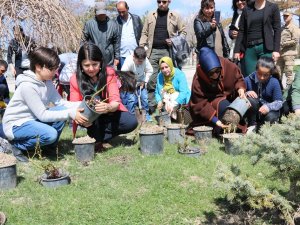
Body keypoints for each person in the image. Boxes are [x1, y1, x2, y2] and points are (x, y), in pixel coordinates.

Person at [2, 47, 87, 162]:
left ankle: (48, 147)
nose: (55, 72)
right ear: (38, 67)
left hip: (32, 119)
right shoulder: (27, 86)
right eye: (52, 69)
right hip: (17, 124)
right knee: (51, 134)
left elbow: (61, 103)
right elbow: (42, 115)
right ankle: (16, 146)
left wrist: (84, 103)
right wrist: (71, 113)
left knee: (61, 110)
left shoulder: (47, 82)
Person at [70, 43, 138, 151]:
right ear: (80, 65)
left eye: (95, 64)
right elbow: (73, 105)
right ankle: (97, 137)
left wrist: (107, 107)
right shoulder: (75, 79)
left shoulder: (109, 73)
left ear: (101, 62)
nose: (91, 69)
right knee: (92, 101)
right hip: (89, 118)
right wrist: (79, 117)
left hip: (108, 112)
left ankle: (101, 137)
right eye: (86, 65)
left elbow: (115, 100)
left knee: (131, 122)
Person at [139, 0, 186, 114]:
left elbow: (183, 32)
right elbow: (144, 33)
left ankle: (169, 107)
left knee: (169, 80)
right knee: (151, 80)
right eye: (159, 1)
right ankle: (152, 107)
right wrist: (141, 48)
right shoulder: (150, 15)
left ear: (169, 2)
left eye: (164, 1)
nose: (161, 4)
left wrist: (174, 41)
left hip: (168, 52)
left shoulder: (176, 16)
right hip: (152, 52)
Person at [189, 47, 246, 132]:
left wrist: (241, 89)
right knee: (224, 105)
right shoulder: (198, 79)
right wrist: (216, 121)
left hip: (230, 97)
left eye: (218, 71)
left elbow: (238, 78)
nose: (216, 75)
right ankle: (224, 128)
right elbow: (199, 105)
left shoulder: (226, 64)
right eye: (211, 73)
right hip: (211, 104)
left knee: (246, 101)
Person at [233, 0, 281, 77]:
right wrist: (236, 51)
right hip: (249, 49)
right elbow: (241, 30)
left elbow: (277, 29)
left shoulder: (273, 7)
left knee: (266, 77)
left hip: (266, 49)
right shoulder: (247, 9)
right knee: (251, 77)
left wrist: (276, 50)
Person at [245, 56, 283, 129]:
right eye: (259, 74)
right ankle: (252, 125)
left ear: (270, 73)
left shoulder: (274, 82)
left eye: (266, 75)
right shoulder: (247, 80)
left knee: (271, 117)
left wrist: (268, 107)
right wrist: (247, 93)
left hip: (269, 110)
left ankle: (262, 129)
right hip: (253, 112)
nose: (262, 77)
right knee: (251, 99)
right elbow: (239, 94)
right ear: (256, 70)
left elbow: (279, 101)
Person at [82, 2, 120, 67]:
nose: (101, 16)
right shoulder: (89, 24)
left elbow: (116, 42)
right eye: (99, 14)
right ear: (95, 13)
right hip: (93, 58)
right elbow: (83, 40)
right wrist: (84, 55)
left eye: (103, 14)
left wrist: (117, 57)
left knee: (109, 76)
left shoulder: (113, 24)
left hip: (109, 60)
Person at [121, 47, 153, 121]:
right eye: (139, 61)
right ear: (133, 57)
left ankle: (146, 114)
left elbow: (150, 71)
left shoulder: (145, 60)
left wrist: (145, 81)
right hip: (130, 81)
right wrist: (131, 83)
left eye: (142, 61)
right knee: (131, 99)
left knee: (144, 98)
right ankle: (131, 115)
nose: (140, 63)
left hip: (141, 80)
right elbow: (123, 74)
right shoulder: (128, 61)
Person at [115, 1, 143, 70]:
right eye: (119, 12)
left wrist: (142, 50)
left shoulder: (136, 19)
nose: (121, 14)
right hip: (122, 56)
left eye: (123, 11)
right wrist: (116, 57)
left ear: (128, 8)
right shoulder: (115, 21)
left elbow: (143, 34)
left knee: (137, 77)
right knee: (123, 78)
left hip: (136, 54)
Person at [277, 11, 300, 89]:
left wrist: (283, 43)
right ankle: (279, 90)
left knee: (288, 73)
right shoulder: (282, 27)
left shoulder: (294, 27)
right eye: (284, 16)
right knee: (277, 72)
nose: (285, 17)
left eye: (287, 16)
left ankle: (288, 93)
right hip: (281, 53)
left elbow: (295, 40)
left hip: (289, 54)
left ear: (292, 16)